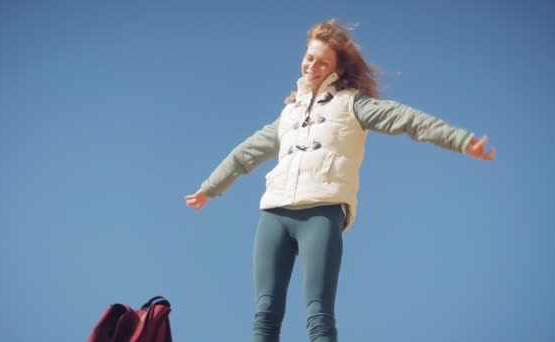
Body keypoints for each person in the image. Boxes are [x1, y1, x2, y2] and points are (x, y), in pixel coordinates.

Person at [185, 19, 495, 342]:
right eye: (309, 58)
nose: (312, 66)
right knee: (265, 313)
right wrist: (209, 188)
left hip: (321, 213)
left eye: (322, 61)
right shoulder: (289, 115)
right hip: (274, 214)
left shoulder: (353, 104)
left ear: (336, 67)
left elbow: (407, 119)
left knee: (318, 314)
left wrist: (460, 140)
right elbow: (245, 153)